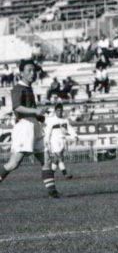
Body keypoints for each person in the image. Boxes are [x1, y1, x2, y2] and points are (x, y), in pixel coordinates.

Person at [0, 60, 59, 198]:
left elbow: (30, 109)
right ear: (22, 73)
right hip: (24, 126)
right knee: (14, 163)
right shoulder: (18, 88)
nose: (33, 73)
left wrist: (40, 117)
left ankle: (53, 193)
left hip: (34, 125)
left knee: (46, 160)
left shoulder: (29, 88)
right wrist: (35, 111)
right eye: (29, 71)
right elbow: (17, 107)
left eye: (34, 71)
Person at [45, 104, 78, 179]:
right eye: (58, 110)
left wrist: (75, 135)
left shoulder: (65, 120)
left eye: (60, 110)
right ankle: (65, 174)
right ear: (55, 111)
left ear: (62, 111)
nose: (59, 112)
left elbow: (69, 128)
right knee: (59, 157)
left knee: (56, 159)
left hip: (63, 140)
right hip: (54, 140)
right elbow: (48, 131)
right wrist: (47, 140)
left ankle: (50, 175)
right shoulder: (51, 120)